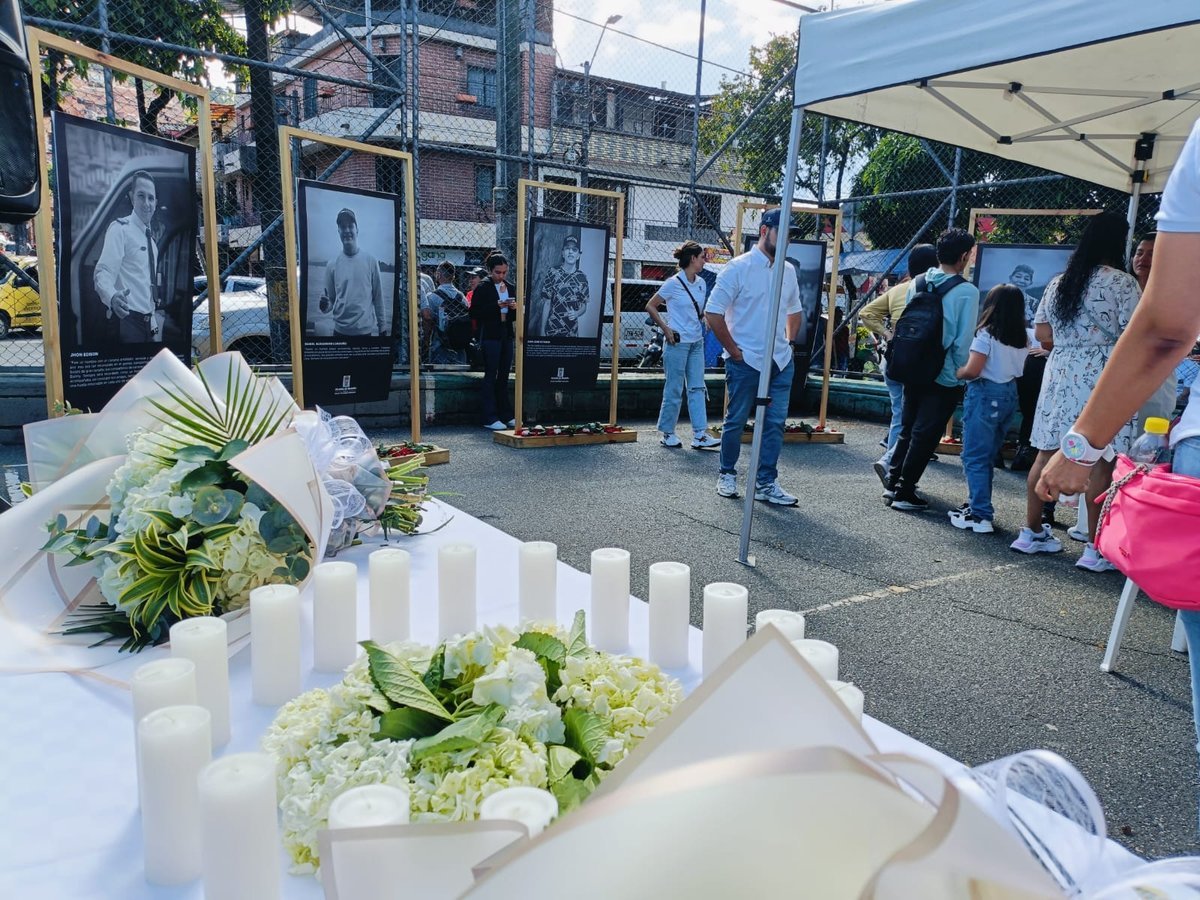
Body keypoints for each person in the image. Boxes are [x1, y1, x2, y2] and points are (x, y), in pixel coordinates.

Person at [1036, 116, 1200, 831]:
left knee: (1074, 467)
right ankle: (1093, 542)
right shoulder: (1114, 286)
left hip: (1076, 385)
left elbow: (1169, 325)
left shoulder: (1067, 282)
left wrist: (1080, 443)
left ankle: (1057, 533)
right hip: (1116, 389)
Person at [1010, 210, 1141, 568]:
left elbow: (1043, 335)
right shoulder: (1123, 283)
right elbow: (1135, 334)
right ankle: (1094, 548)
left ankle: (1032, 532)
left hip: (1059, 372)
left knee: (1046, 451)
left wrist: (1070, 346)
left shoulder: (1058, 282)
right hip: (1103, 372)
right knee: (1100, 455)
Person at [704, 207, 803, 506]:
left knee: (774, 423)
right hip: (746, 361)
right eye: (782, 232)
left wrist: (789, 343)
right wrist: (734, 352)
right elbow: (712, 312)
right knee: (736, 420)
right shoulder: (737, 267)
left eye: (790, 234)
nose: (786, 239)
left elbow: (795, 310)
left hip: (780, 362)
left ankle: (765, 482)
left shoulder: (788, 270)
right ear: (764, 231)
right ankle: (727, 473)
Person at [884, 228, 980, 512]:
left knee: (909, 427)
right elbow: (962, 342)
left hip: (913, 364)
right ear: (963, 256)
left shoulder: (919, 282)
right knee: (926, 435)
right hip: (943, 372)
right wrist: (958, 374)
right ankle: (905, 491)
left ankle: (893, 479)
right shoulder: (967, 292)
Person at [949, 285, 1031, 533]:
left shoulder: (986, 334)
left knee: (974, 456)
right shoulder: (1023, 337)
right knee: (987, 454)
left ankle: (980, 514)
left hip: (985, 393)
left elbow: (973, 370)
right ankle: (978, 504)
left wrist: (958, 372)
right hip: (1008, 394)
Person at [861, 243, 939, 480]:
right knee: (914, 419)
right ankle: (892, 463)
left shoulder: (898, 290)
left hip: (894, 359)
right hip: (919, 363)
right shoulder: (934, 292)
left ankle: (892, 462)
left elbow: (866, 313)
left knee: (899, 414)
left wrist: (887, 334)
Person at [647, 240, 720, 450]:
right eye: (702, 257)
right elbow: (651, 306)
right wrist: (666, 329)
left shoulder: (701, 283)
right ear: (692, 259)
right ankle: (668, 433)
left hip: (696, 341)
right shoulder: (673, 283)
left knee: (697, 387)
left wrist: (704, 317)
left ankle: (699, 435)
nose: (705, 260)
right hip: (677, 343)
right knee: (674, 388)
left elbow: (697, 309)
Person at [94, 170, 162, 344]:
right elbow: (103, 273)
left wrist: (153, 319)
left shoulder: (151, 242)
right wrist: (112, 297)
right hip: (127, 321)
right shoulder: (120, 229)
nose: (146, 203)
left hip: (148, 324)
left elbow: (146, 286)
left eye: (151, 198)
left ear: (156, 203)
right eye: (141, 196)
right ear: (132, 198)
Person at [1130, 233, 1179, 428]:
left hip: (1156, 382)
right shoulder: (1120, 291)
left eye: (1151, 254)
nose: (1143, 259)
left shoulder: (1172, 296)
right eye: (1139, 253)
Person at [469, 251, 516, 430]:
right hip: (490, 335)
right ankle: (489, 416)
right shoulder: (483, 287)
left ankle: (505, 414)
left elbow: (512, 316)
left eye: (504, 272)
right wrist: (496, 306)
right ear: (490, 270)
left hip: (505, 333)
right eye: (497, 272)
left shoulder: (510, 286)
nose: (501, 276)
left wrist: (513, 308)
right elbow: (474, 313)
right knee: (491, 375)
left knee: (504, 375)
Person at [319, 208, 384, 337]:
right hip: (339, 332)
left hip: (365, 333)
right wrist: (324, 306)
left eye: (350, 226)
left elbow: (378, 297)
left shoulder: (371, 260)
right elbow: (330, 302)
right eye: (343, 227)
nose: (347, 230)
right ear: (339, 231)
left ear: (357, 230)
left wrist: (382, 327)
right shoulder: (332, 264)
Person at [538, 235, 591, 337]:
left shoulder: (582, 278)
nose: (570, 252)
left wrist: (576, 313)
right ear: (562, 253)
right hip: (552, 331)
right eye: (567, 248)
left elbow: (584, 306)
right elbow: (547, 303)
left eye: (574, 249)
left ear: (578, 255)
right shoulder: (552, 272)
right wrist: (542, 330)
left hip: (572, 333)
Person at [421, 260, 469, 365]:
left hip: (440, 345)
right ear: (453, 277)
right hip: (460, 346)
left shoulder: (432, 297)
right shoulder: (462, 297)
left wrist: (425, 340)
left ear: (438, 275)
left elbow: (428, 319)